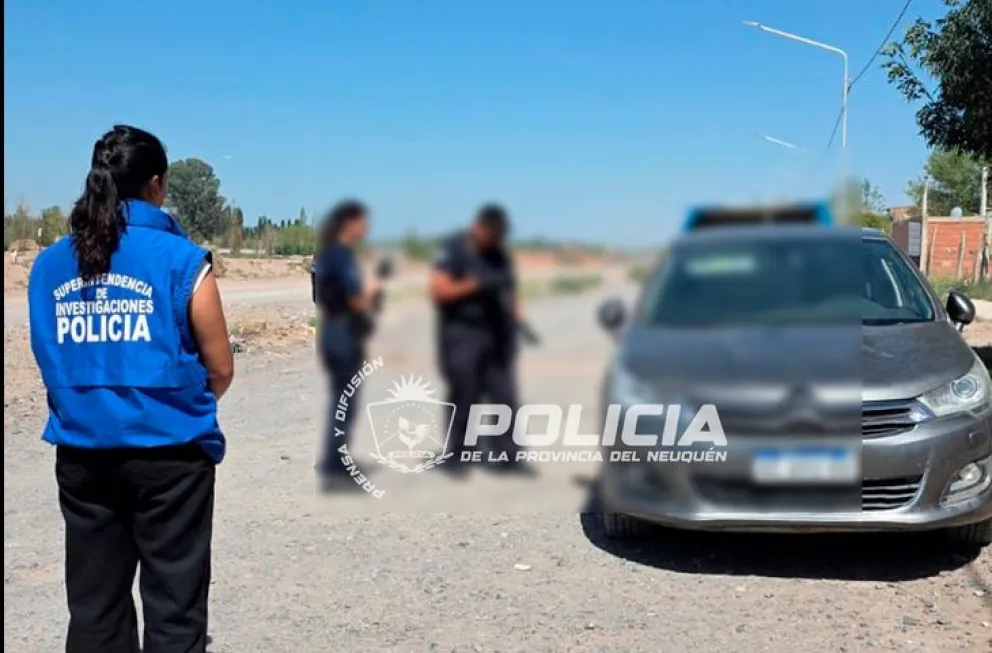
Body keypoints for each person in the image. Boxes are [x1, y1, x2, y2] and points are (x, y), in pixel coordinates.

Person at [27, 125, 233, 653]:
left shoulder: (50, 265)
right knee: (175, 605)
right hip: (171, 458)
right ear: (157, 185)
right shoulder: (183, 261)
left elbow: (51, 355)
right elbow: (220, 367)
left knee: (95, 607)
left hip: (83, 455)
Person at [430, 204, 534, 476]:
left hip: (497, 333)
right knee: (465, 393)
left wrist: (521, 320)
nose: (495, 240)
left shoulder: (498, 253)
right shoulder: (453, 248)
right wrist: (474, 285)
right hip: (462, 332)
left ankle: (509, 456)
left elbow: (511, 290)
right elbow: (439, 290)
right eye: (492, 235)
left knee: (504, 394)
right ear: (479, 227)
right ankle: (459, 454)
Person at [313, 200, 381, 490]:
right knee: (345, 403)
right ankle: (335, 466)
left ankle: (334, 459)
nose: (365, 229)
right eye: (362, 223)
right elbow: (355, 300)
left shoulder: (327, 254)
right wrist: (373, 290)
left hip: (332, 330)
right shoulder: (341, 256)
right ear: (349, 224)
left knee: (340, 399)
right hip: (342, 332)